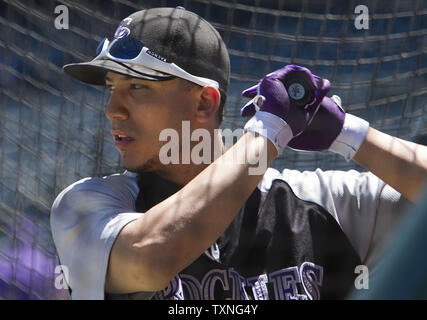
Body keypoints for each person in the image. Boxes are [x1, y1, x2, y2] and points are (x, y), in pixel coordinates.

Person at [50, 7, 427, 300]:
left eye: (136, 87)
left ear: (203, 103)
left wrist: (351, 134)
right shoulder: (87, 204)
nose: (113, 109)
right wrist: (267, 133)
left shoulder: (318, 201)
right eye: (112, 88)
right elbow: (153, 257)